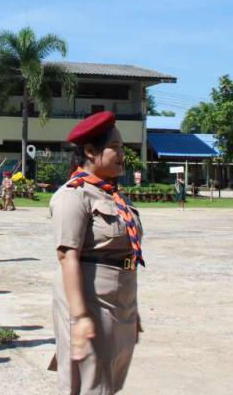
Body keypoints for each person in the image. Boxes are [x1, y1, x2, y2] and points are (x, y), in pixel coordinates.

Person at [50, 111, 144, 395]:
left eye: (122, 147)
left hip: (121, 297)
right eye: (115, 147)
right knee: (90, 382)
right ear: (90, 151)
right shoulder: (73, 195)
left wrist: (132, 308)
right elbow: (67, 257)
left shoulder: (113, 195)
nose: (122, 154)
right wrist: (80, 317)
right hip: (91, 298)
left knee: (111, 378)